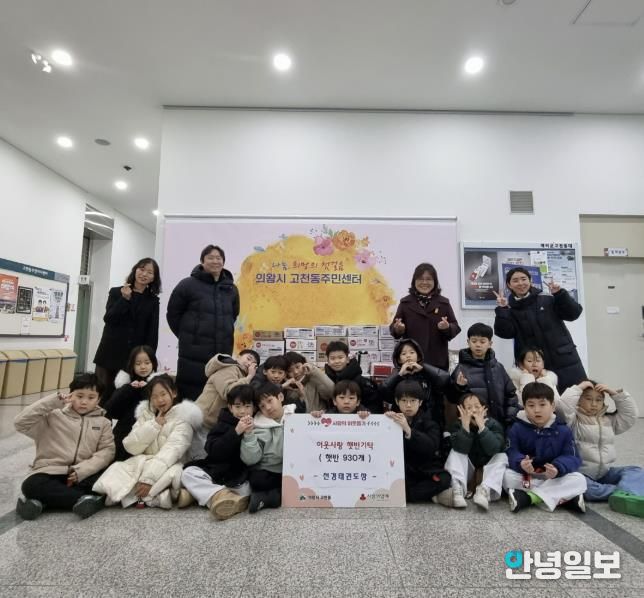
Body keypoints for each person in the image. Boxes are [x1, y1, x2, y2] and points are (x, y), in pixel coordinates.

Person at [14, 373, 115, 520]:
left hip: (82, 475)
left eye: (91, 398)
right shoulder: (53, 416)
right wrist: (53, 401)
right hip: (50, 471)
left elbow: (107, 451)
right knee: (31, 485)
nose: (84, 402)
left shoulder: (103, 423)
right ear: (70, 395)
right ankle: (84, 500)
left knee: (104, 482)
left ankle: (41, 502)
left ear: (99, 399)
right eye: (79, 396)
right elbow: (20, 423)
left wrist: (83, 470)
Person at [93, 374, 202, 509]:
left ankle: (148, 496)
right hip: (143, 461)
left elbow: (172, 451)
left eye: (163, 394)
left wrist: (149, 479)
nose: (159, 400)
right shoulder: (146, 414)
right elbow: (130, 445)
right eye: (154, 396)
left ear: (174, 393)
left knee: (173, 475)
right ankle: (156, 496)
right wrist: (154, 425)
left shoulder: (183, 418)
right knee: (118, 468)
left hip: (169, 465)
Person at [559, 380, 644, 517]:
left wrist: (615, 394)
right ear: (579, 400)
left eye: (599, 400)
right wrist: (579, 387)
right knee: (581, 486)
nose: (594, 404)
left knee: (635, 470)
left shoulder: (609, 420)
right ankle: (624, 492)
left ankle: (624, 493)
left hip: (604, 473)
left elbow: (630, 416)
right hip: (581, 474)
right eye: (588, 399)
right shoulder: (573, 420)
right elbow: (562, 407)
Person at [493, 267, 586, 392]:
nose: (520, 283)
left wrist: (560, 294)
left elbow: (573, 314)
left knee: (576, 395)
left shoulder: (547, 298)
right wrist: (502, 309)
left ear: (530, 281)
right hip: (534, 364)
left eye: (524, 279)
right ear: (509, 285)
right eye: (515, 280)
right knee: (542, 399)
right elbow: (505, 333)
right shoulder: (510, 309)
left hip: (564, 359)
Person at [166, 244, 240, 400]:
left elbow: (233, 315)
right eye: (210, 258)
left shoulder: (231, 289)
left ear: (223, 262)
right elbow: (173, 314)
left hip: (222, 352)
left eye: (218, 258)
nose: (215, 261)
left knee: (217, 396)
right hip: (192, 353)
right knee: (191, 396)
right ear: (202, 261)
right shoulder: (187, 285)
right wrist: (188, 336)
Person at [503, 382, 586, 513]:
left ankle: (529, 498)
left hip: (553, 476)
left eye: (542, 405)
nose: (537, 410)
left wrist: (558, 467)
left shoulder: (563, 430)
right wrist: (521, 463)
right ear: (524, 407)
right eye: (531, 405)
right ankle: (564, 497)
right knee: (506, 476)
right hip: (528, 476)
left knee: (579, 479)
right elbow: (511, 451)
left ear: (552, 406)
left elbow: (572, 456)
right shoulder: (517, 428)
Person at [179, 385, 255, 520]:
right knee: (188, 473)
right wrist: (235, 432)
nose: (242, 411)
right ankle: (223, 497)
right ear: (230, 407)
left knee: (248, 489)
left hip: (238, 477)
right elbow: (212, 450)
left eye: (247, 406)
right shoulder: (223, 423)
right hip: (216, 470)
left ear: (254, 407)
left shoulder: (257, 424)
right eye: (237, 406)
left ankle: (203, 496)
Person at [93, 258, 161, 402]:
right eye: (142, 269)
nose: (144, 274)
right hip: (109, 352)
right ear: (135, 270)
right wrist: (124, 299)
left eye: (150, 272)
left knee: (124, 397)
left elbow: (152, 332)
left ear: (153, 278)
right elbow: (109, 318)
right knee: (101, 394)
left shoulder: (153, 301)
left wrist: (149, 358)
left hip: (133, 357)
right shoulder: (117, 292)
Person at [385, 380, 451, 504]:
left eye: (413, 401)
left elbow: (431, 447)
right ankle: (430, 495)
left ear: (420, 402)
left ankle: (410, 495)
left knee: (444, 479)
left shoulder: (430, 423)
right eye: (404, 400)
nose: (408, 405)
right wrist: (384, 422)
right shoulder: (391, 420)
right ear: (397, 401)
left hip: (424, 469)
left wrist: (408, 430)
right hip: (402, 470)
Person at [390, 263, 460, 370]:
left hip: (437, 362)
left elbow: (455, 327)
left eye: (428, 279)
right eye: (420, 279)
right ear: (414, 281)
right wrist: (398, 329)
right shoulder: (405, 303)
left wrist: (447, 327)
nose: (424, 282)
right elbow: (394, 329)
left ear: (435, 282)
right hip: (411, 362)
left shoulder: (443, 303)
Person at [448, 323, 519, 429]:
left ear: (490, 343)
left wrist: (509, 419)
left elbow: (511, 395)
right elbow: (452, 398)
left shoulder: (498, 368)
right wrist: (459, 387)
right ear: (468, 342)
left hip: (498, 424)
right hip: (472, 426)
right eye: (474, 341)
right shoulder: (461, 369)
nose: (478, 345)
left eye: (482, 341)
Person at [240, 382, 297, 513]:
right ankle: (275, 496)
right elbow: (251, 459)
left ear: (280, 397)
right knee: (256, 480)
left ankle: (271, 497)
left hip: (294, 469)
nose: (268, 408)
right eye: (262, 406)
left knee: (303, 479)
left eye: (270, 401)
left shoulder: (296, 415)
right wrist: (249, 435)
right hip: (271, 470)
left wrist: (316, 417)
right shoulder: (258, 425)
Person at [444, 393, 507, 510]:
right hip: (467, 470)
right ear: (461, 412)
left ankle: (484, 491)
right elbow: (461, 448)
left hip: (486, 470)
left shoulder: (494, 424)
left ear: (485, 410)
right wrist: (465, 428)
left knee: (502, 456)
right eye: (468, 408)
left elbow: (494, 449)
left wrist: (482, 428)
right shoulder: (457, 426)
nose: (473, 411)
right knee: (455, 452)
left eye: (477, 407)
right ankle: (457, 491)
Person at [103, 345, 160, 461]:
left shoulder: (160, 384)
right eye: (138, 363)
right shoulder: (126, 385)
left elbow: (161, 409)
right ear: (132, 365)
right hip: (124, 433)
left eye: (147, 363)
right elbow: (110, 410)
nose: (143, 367)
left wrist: (148, 390)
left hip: (149, 434)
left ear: (153, 364)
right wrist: (127, 389)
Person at [383, 338, 450, 426]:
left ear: (418, 356)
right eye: (403, 354)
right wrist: (399, 375)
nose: (408, 356)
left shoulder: (427, 372)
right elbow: (383, 391)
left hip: (428, 419)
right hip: (401, 418)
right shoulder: (397, 374)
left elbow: (445, 380)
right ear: (399, 359)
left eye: (412, 352)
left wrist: (424, 368)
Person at [195, 349, 260, 430]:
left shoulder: (243, 376)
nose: (249, 363)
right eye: (248, 358)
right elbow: (229, 392)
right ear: (238, 356)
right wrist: (250, 376)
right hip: (200, 420)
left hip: (210, 423)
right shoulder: (229, 368)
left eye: (253, 364)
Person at [323, 341, 380, 413]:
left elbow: (374, 407)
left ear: (347, 359)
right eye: (333, 358)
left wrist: (365, 414)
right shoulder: (324, 380)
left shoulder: (362, 382)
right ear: (328, 361)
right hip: (330, 419)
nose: (337, 361)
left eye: (340, 357)